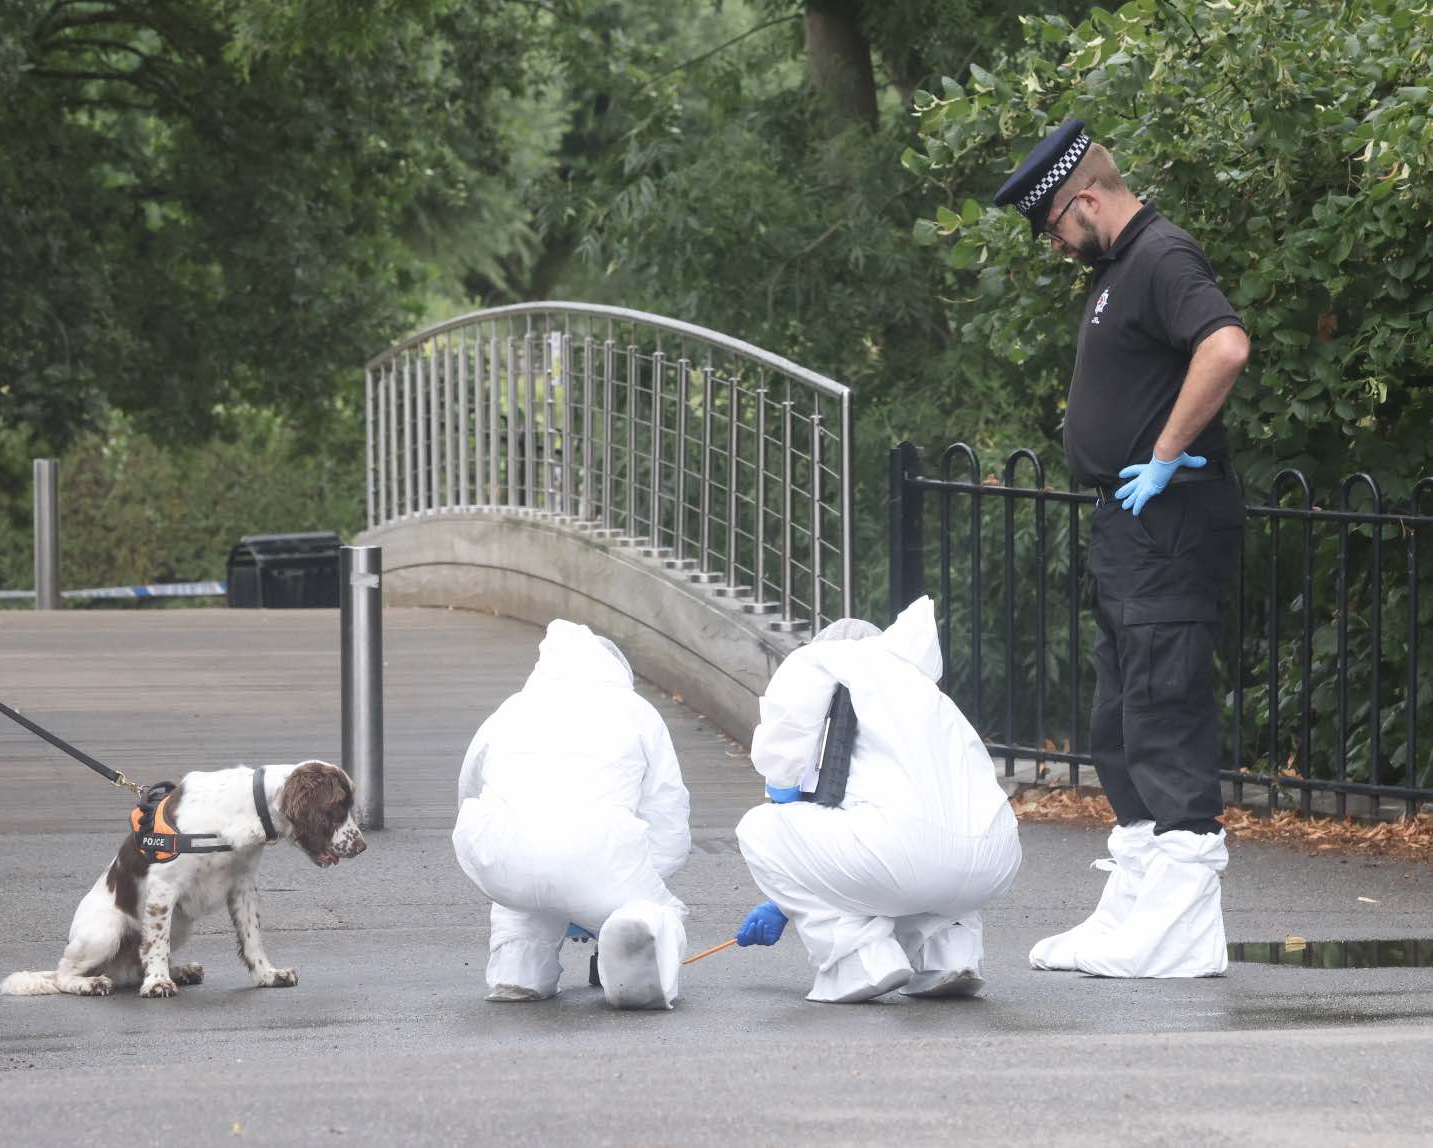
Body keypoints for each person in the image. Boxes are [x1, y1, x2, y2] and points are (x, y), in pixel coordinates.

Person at [991, 120, 1251, 978]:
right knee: (1120, 717)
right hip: (1126, 527)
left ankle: (1181, 924)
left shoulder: (1162, 256)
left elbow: (1225, 345)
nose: (1057, 245)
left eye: (1056, 227)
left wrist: (1167, 454)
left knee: (1164, 706)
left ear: (1087, 200)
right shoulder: (1117, 270)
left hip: (1168, 526)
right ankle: (1139, 895)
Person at [732, 598, 1021, 1002]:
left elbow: (781, 774)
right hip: (995, 862)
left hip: (905, 855)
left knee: (759, 829)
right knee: (934, 841)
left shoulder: (821, 666)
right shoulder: (927, 693)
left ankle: (857, 959)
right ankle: (950, 954)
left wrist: (787, 895)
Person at [451, 619, 691, 1009]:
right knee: (648, 910)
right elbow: (667, 813)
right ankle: (634, 947)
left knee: (525, 896)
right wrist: (626, 884)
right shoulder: (636, 712)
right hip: (595, 852)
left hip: (501, 856)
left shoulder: (510, 709)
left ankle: (518, 971)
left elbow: (469, 788)